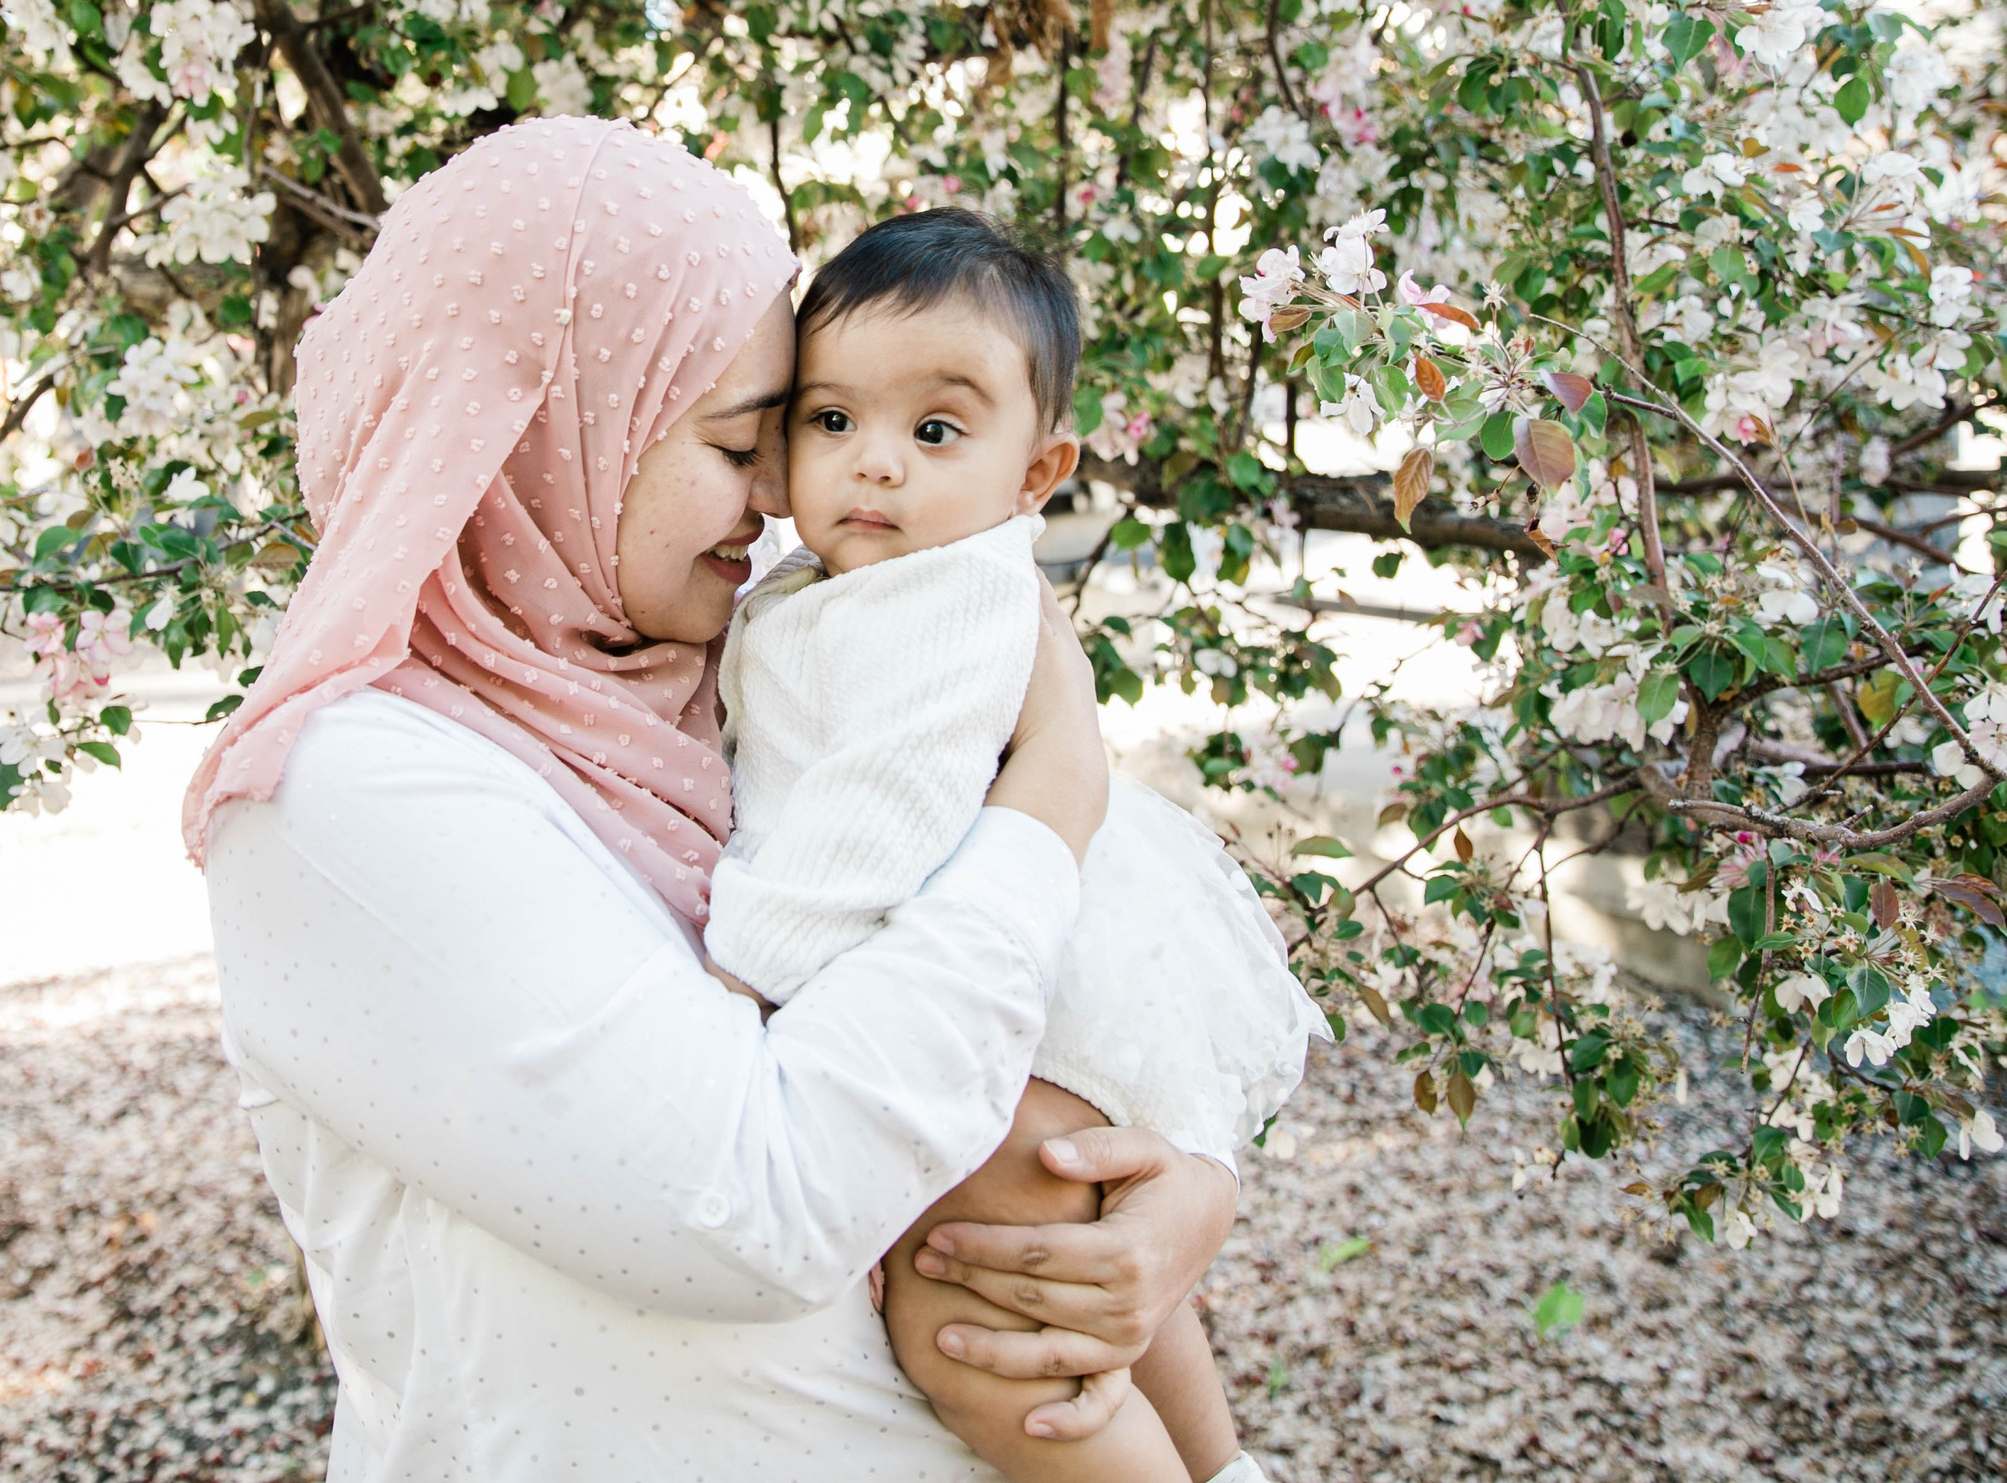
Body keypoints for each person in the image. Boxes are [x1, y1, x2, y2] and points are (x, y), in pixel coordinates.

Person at [184, 117, 1241, 1480]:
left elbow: (1037, 998)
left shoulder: (704, 676)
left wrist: (1167, 1189)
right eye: (752, 438)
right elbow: (755, 1199)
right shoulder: (339, 798)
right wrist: (1052, 801)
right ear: (547, 425)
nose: (779, 500)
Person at [702, 209, 1329, 1483]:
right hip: (1021, 979)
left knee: (983, 1347)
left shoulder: (951, 602)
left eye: (935, 431)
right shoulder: (840, 583)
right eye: (833, 422)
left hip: (1006, 990)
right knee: (1088, 1294)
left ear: (1037, 474)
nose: (873, 464)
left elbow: (870, 820)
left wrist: (735, 986)